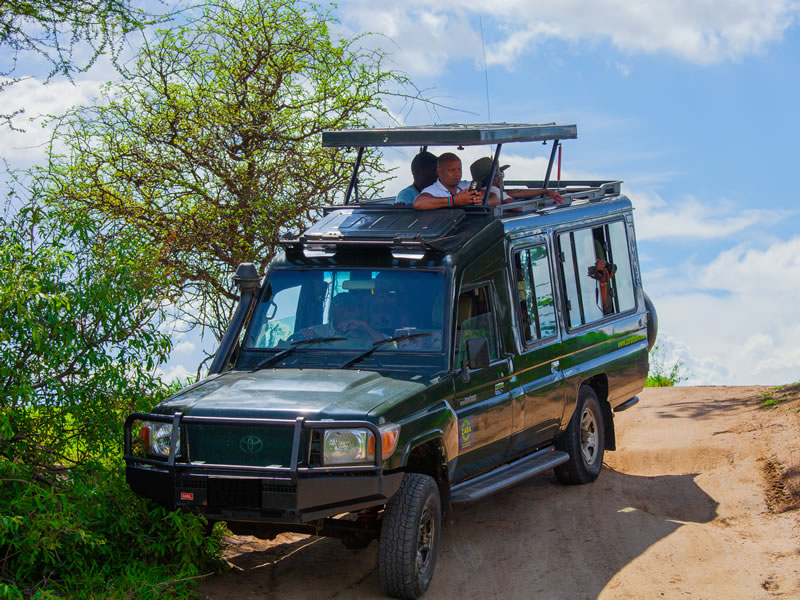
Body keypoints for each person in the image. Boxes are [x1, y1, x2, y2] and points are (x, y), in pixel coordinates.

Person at [469, 157, 565, 205]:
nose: (502, 177)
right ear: (493, 179)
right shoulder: (495, 191)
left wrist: (545, 191)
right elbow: (517, 207)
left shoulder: (487, 190)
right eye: (500, 174)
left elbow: (519, 193)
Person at [301, 293, 385, 344]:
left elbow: (388, 345)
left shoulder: (363, 333)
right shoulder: (316, 332)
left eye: (356, 308)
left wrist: (365, 326)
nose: (354, 312)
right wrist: (307, 338)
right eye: (349, 307)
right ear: (336, 309)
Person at [413, 153, 483, 210]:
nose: (457, 174)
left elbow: (493, 197)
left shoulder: (466, 185)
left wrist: (479, 199)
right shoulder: (432, 190)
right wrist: (453, 201)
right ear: (439, 171)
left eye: (459, 169)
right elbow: (418, 203)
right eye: (452, 170)